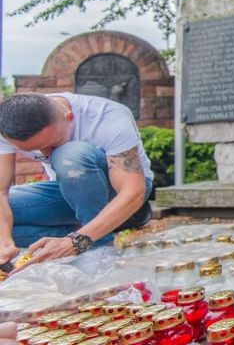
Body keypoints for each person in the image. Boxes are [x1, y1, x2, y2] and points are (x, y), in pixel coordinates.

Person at [0, 93, 153, 268]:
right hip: (67, 193)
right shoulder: (7, 127)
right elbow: (1, 192)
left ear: (69, 117)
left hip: (121, 191)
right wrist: (5, 242)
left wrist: (78, 241)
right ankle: (82, 237)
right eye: (34, 150)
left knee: (69, 156)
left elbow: (132, 191)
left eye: (52, 144)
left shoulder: (107, 117)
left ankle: (99, 250)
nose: (45, 154)